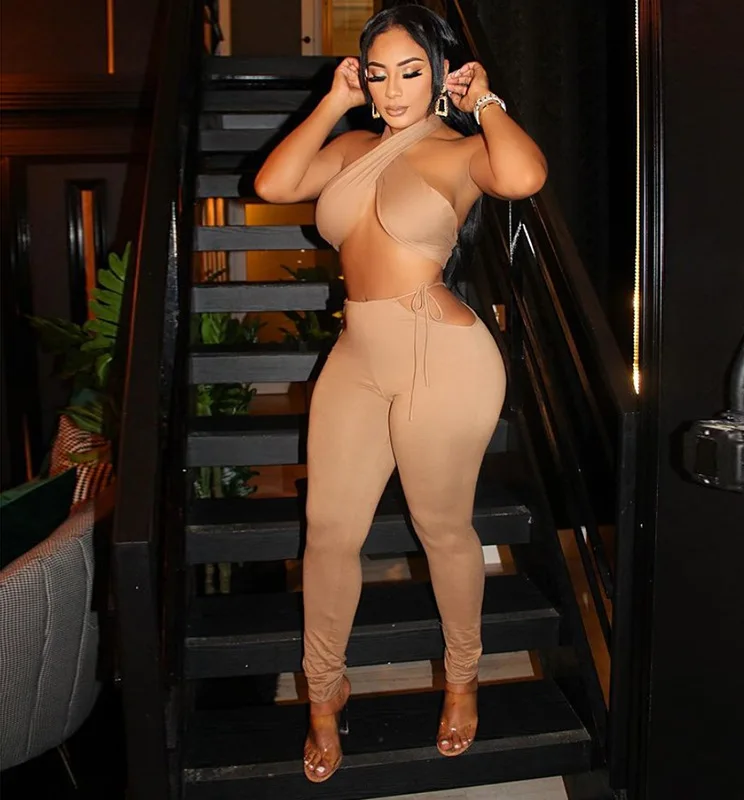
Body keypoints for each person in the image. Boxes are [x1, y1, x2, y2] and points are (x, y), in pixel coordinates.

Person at [254, 3, 547, 784]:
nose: (391, 89)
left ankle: (463, 677)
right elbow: (273, 182)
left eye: (410, 72)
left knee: (441, 527)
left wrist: (485, 100)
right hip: (357, 354)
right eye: (378, 73)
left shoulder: (461, 152)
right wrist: (333, 100)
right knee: (328, 532)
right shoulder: (352, 145)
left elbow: (524, 176)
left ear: (441, 73)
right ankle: (324, 692)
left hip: (441, 356)